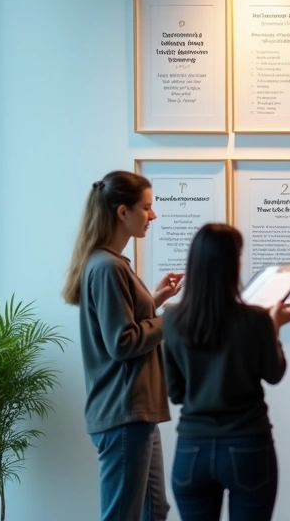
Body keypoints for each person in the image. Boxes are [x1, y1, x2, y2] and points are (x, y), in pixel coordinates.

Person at [62, 171, 183, 521]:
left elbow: (124, 324)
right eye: (146, 208)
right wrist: (174, 319)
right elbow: (123, 342)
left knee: (153, 509)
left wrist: (155, 299)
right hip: (124, 410)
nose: (153, 216)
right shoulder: (108, 267)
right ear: (122, 212)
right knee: (123, 515)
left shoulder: (108, 264)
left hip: (134, 412)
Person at [162, 223, 290, 521]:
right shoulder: (256, 320)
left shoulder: (172, 321)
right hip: (247, 444)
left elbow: (175, 393)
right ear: (232, 264)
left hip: (191, 450)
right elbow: (274, 374)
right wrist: (273, 328)